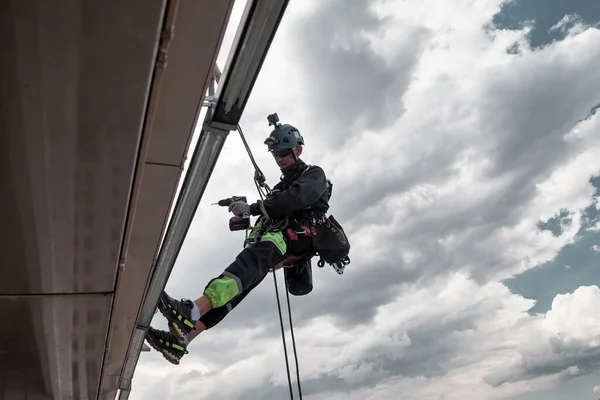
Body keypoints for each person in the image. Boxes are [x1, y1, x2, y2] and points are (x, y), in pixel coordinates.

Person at [145, 121, 332, 365]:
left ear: (298, 150)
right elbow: (278, 204)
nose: (279, 158)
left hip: (294, 237)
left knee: (245, 265)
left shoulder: (314, 175)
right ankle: (181, 341)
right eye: (275, 154)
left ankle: (190, 312)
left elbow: (292, 201)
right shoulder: (281, 186)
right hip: (280, 239)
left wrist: (254, 208)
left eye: (284, 152)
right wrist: (247, 209)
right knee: (239, 286)